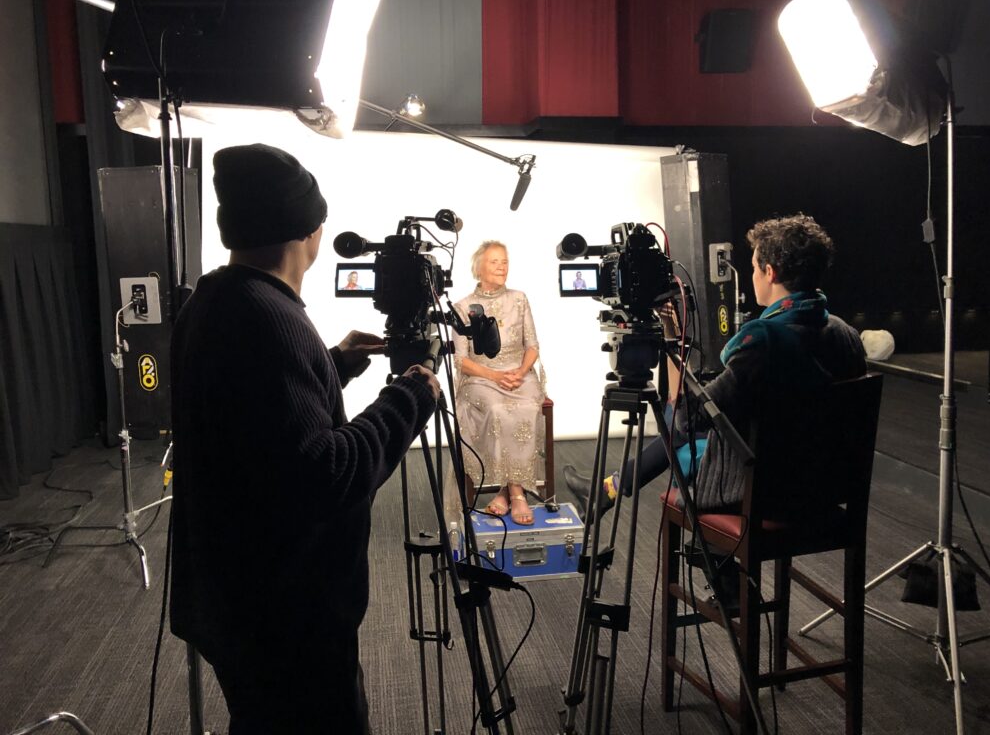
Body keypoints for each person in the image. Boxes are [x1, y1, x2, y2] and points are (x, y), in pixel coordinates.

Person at [169, 144, 440, 735]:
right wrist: (410, 397)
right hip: (287, 618)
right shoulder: (272, 320)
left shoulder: (213, 300)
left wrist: (331, 364)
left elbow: (252, 422)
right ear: (311, 233)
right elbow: (326, 474)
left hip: (232, 599)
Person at [564, 214, 866, 521]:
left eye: (753, 268)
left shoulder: (762, 340)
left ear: (770, 273)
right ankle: (608, 490)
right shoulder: (846, 334)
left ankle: (612, 493)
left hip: (763, 490)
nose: (753, 276)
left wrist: (672, 334)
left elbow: (686, 418)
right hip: (825, 485)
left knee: (673, 421)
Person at [452, 241, 545, 525]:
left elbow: (532, 345)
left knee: (528, 407)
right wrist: (494, 376)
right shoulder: (463, 306)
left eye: (504, 261)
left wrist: (521, 371)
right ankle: (517, 493)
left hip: (520, 373)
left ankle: (506, 492)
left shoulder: (519, 298)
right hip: (481, 377)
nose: (501, 266)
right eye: (494, 262)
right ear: (478, 268)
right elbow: (461, 361)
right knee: (497, 409)